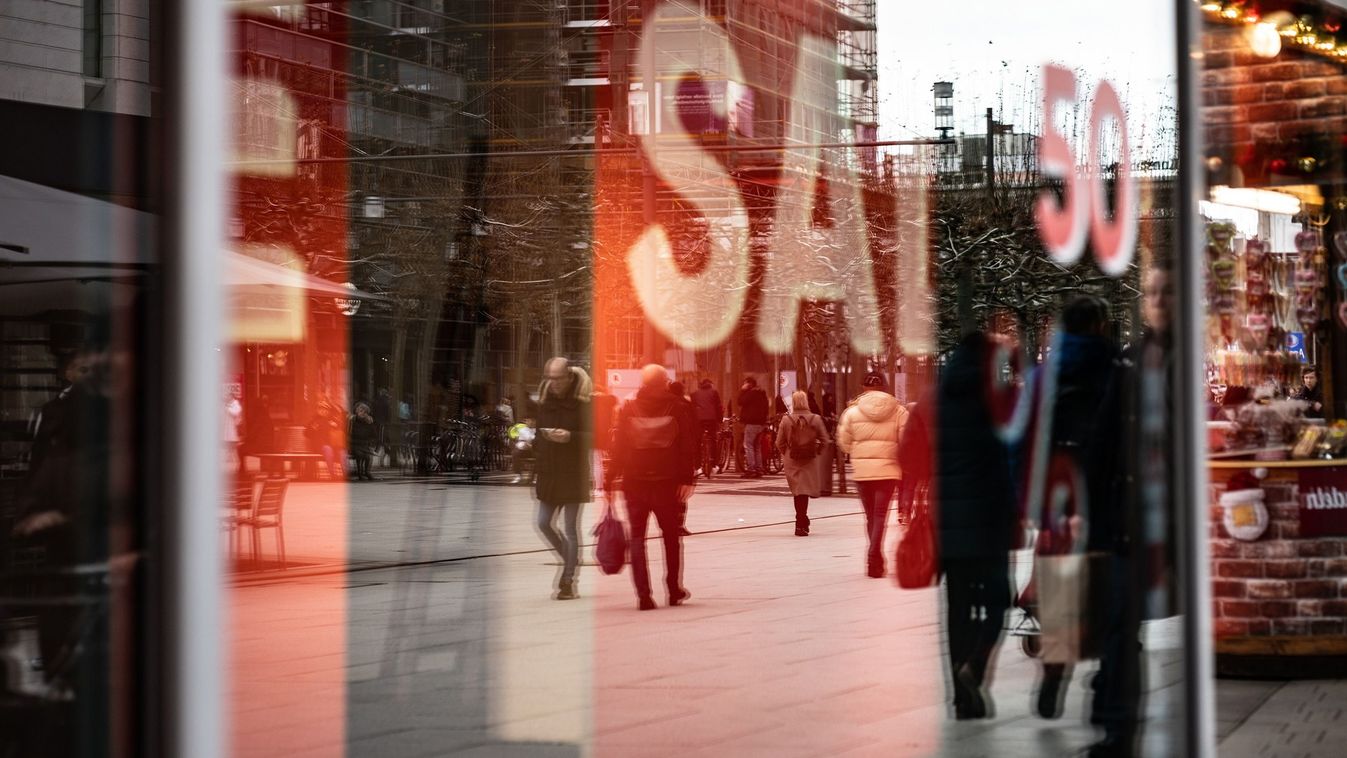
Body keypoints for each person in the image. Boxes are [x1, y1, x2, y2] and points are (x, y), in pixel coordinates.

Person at [1086, 267, 1175, 757]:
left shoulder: (1185, 357)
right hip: (1131, 518)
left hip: (1174, 518)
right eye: (1152, 291)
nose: (1158, 299)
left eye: (1167, 291)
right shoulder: (1130, 359)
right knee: (1121, 625)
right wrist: (1093, 514)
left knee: (1126, 625)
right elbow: (1103, 441)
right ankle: (1119, 731)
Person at [1031, 295, 1118, 719]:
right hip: (1105, 498)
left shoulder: (1046, 374)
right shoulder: (1114, 369)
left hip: (1060, 502)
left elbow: (1027, 442)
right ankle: (1107, 684)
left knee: (1063, 593)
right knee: (1110, 595)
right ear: (1100, 326)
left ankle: (1053, 674)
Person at [937, 332, 1016, 720]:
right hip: (987, 523)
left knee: (959, 610)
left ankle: (961, 696)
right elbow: (1005, 464)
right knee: (999, 600)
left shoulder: (937, 401)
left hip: (949, 527)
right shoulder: (992, 400)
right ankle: (975, 669)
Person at [606, 364, 698, 610]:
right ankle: (673, 589)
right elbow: (686, 445)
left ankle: (644, 595)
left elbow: (619, 448)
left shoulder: (629, 407)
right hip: (667, 483)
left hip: (634, 482)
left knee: (637, 538)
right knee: (670, 537)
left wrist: (609, 479)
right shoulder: (677, 407)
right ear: (665, 382)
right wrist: (687, 479)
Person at [836, 372, 909, 578]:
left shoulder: (852, 412)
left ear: (864, 388)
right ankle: (875, 555)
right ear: (885, 388)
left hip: (863, 472)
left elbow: (843, 441)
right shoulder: (899, 411)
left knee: (870, 516)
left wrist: (856, 450)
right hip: (888, 470)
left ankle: (873, 553)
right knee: (880, 515)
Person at [533, 357, 592, 600]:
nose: (553, 383)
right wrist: (539, 441)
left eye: (557, 378)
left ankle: (568, 581)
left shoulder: (584, 403)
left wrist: (570, 436)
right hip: (549, 470)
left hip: (573, 471)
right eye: (549, 378)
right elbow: (538, 432)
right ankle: (571, 558)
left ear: (568, 376)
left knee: (569, 528)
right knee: (543, 522)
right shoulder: (545, 401)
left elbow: (596, 437)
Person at [777, 390, 829, 536]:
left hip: (791, 459)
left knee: (798, 491)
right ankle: (802, 521)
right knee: (804, 491)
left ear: (793, 402)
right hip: (809, 459)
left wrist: (786, 453)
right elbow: (825, 440)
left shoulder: (786, 420)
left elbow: (779, 442)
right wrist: (817, 452)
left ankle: (800, 521)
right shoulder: (816, 419)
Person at [668, 381, 695, 535]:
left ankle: (671, 523)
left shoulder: (666, 406)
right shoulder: (685, 405)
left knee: (670, 493)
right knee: (681, 494)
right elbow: (693, 432)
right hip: (682, 457)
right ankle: (679, 524)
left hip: (667, 458)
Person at [736, 376, 769, 478]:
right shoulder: (762, 394)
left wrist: (742, 390)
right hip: (761, 424)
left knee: (748, 445)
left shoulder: (750, 394)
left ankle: (751, 469)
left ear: (748, 384)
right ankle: (759, 469)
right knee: (757, 447)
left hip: (752, 423)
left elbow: (740, 401)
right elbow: (766, 407)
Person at [691, 378, 723, 477]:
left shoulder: (694, 393)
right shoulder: (714, 392)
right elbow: (718, 407)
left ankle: (698, 467)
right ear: (710, 385)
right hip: (711, 419)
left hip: (698, 420)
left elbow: (691, 408)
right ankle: (713, 465)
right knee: (713, 440)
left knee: (697, 442)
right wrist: (720, 420)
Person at [349, 402, 378, 481]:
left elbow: (374, 435)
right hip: (354, 444)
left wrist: (371, 443)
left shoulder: (369, 422)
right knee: (360, 454)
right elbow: (348, 433)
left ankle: (366, 472)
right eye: (361, 411)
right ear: (357, 411)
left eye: (365, 412)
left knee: (368, 456)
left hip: (365, 444)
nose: (363, 413)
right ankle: (359, 473)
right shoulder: (352, 421)